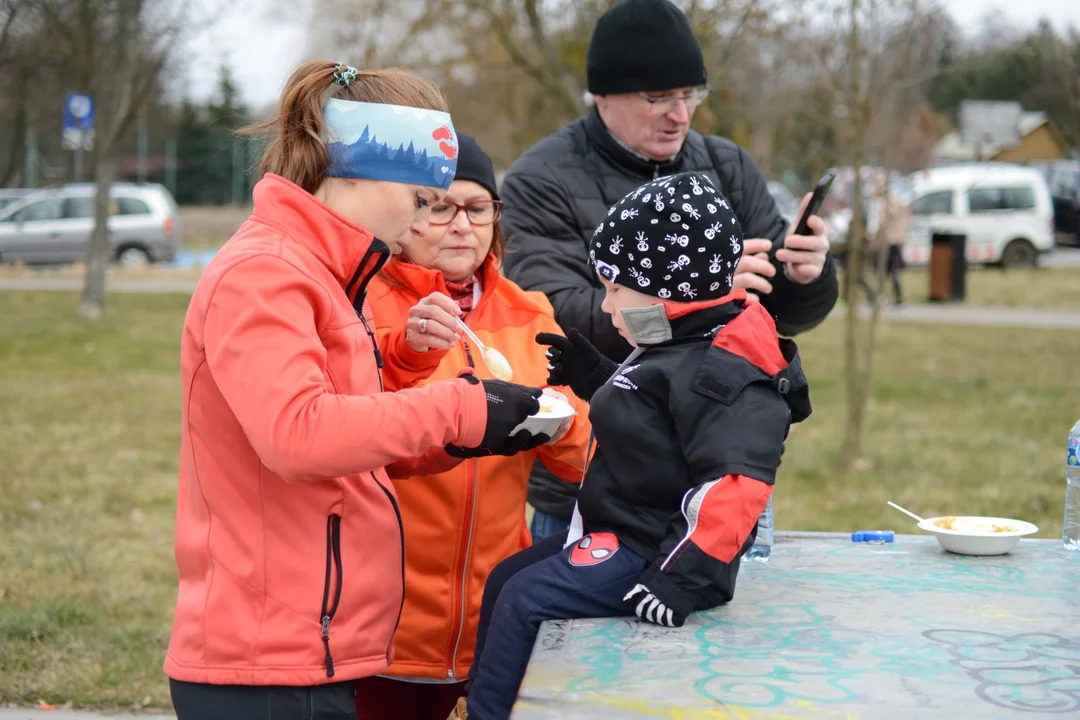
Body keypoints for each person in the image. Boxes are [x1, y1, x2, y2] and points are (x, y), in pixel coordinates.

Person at [164, 61, 549, 720]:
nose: (430, 222)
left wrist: (466, 427)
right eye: (424, 198)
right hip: (268, 661)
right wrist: (458, 405)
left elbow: (351, 445)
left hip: (310, 652)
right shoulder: (265, 274)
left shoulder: (320, 275)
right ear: (362, 171)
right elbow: (298, 435)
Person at [449, 172, 812, 720]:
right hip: (622, 530)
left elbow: (738, 484)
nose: (604, 306)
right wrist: (591, 372)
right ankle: (484, 701)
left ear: (668, 287)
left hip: (659, 555)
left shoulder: (725, 369)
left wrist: (676, 580)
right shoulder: (676, 338)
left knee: (526, 599)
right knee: (505, 577)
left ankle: (490, 713)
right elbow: (654, 418)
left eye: (617, 288)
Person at [500, 0, 837, 541]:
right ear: (603, 95)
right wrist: (700, 295)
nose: (679, 114)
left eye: (689, 96)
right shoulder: (540, 179)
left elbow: (776, 317)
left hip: (718, 484)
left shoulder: (726, 166)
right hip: (593, 486)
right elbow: (551, 316)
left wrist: (806, 277)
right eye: (657, 97)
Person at [353, 134, 592, 720]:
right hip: (381, 622)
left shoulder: (528, 312)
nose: (462, 224)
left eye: (478, 208)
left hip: (494, 616)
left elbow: (584, 458)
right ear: (406, 214)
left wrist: (561, 427)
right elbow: (346, 432)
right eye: (440, 205)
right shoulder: (363, 303)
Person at [862, 183, 908, 305]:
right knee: (892, 270)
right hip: (897, 240)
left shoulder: (884, 204)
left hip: (887, 241)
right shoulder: (897, 201)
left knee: (884, 270)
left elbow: (881, 224)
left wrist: (872, 240)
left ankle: (882, 296)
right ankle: (896, 297)